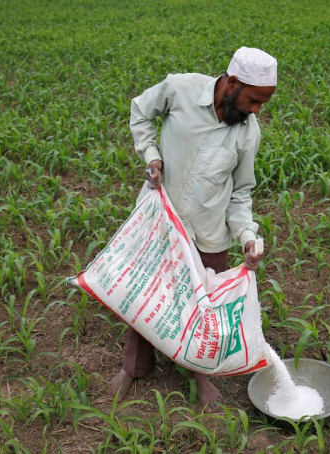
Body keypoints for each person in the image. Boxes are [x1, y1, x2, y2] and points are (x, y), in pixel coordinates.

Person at [109, 47, 277, 406]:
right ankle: (135, 367)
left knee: (206, 307)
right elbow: (140, 111)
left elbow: (241, 193)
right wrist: (152, 154)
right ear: (232, 84)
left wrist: (248, 235)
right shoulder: (180, 89)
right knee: (147, 293)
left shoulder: (248, 133)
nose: (257, 110)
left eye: (263, 103)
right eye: (255, 100)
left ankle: (201, 377)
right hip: (162, 218)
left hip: (209, 231)